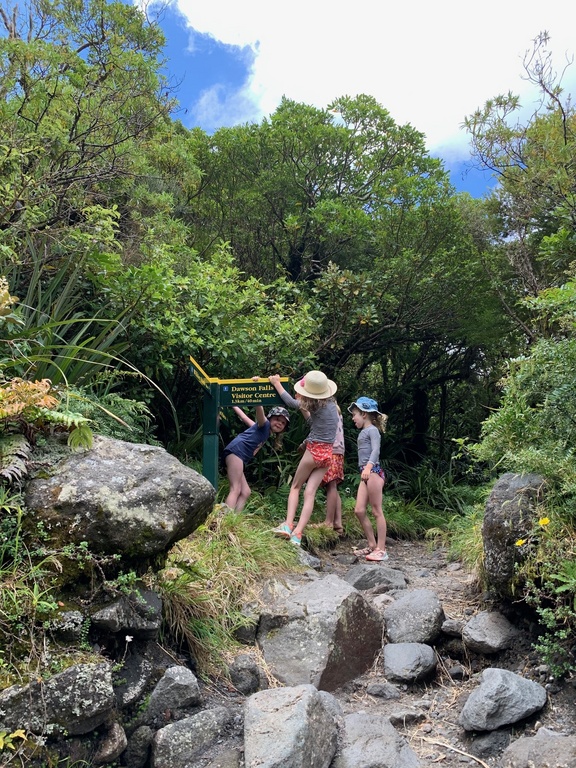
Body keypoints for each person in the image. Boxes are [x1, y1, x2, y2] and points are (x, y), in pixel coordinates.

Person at [268, 370, 339, 546]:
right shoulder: (331, 406)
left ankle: (288, 525)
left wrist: (276, 383)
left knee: (295, 486)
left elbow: (291, 402)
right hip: (328, 454)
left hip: (314, 450)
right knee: (310, 492)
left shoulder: (314, 405)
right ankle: (298, 534)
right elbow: (313, 424)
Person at [223, 404, 290, 512]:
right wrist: (258, 399)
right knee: (235, 489)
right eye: (277, 419)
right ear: (270, 418)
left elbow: (244, 418)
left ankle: (235, 518)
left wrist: (233, 405)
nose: (280, 423)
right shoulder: (264, 424)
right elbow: (259, 408)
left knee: (246, 492)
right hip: (236, 452)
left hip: (238, 456)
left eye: (283, 423)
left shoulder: (262, 430)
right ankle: (225, 518)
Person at [348, 396, 389, 562]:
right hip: (365, 474)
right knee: (359, 510)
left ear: (364, 414)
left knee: (376, 510)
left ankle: (381, 549)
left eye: (355, 414)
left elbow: (376, 450)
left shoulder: (372, 430)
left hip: (373, 472)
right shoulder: (364, 431)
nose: (353, 418)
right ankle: (372, 545)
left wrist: (368, 467)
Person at [320, 403, 345, 535]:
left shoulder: (327, 408)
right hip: (338, 450)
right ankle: (337, 523)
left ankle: (328, 522)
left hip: (331, 449)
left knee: (331, 485)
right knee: (333, 485)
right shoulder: (336, 409)